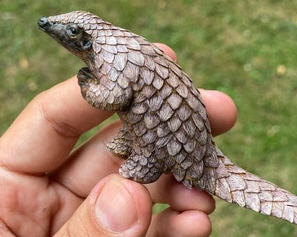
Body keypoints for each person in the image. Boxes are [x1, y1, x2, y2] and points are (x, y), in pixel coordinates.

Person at [0, 44, 237, 237]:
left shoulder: (120, 60)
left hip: (157, 141)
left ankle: (137, 163)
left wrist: (88, 86)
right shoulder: (123, 58)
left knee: (136, 168)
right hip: (150, 131)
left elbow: (112, 97)